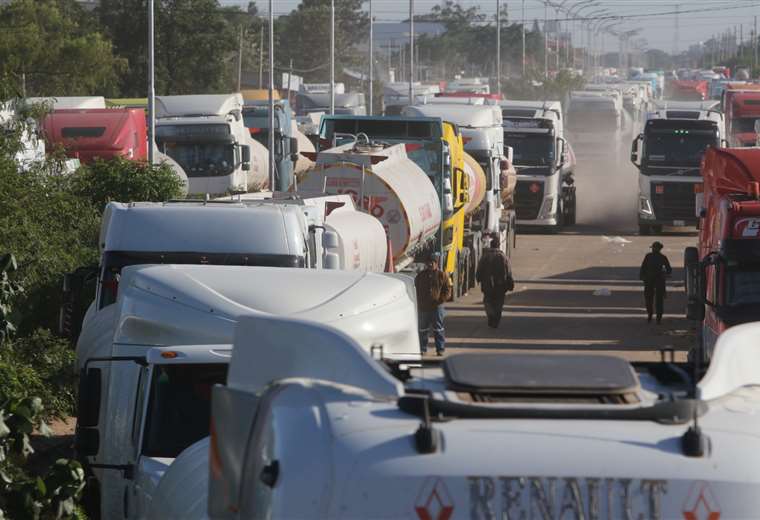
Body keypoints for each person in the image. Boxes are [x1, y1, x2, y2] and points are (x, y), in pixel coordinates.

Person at [415, 252, 451, 356]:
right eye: (429, 262)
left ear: (436, 263)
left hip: (437, 307)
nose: (430, 264)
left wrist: (441, 300)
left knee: (438, 329)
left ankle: (440, 349)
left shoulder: (442, 275)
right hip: (423, 307)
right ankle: (422, 349)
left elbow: (447, 289)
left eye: (433, 262)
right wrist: (419, 301)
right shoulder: (421, 275)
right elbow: (415, 288)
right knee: (423, 329)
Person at [476, 238, 515, 328]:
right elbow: (508, 270)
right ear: (498, 245)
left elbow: (480, 268)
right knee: (499, 302)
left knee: (488, 300)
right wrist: (509, 280)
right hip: (500, 284)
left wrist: (478, 278)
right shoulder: (503, 256)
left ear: (491, 245)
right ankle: (496, 318)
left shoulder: (485, 256)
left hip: (487, 284)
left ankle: (491, 314)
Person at [639, 241, 672, 324]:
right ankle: (658, 318)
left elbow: (643, 267)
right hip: (659, 280)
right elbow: (669, 269)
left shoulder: (648, 256)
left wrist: (642, 276)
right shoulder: (662, 257)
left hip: (649, 279)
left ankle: (650, 315)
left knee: (649, 298)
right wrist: (665, 274)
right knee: (659, 300)